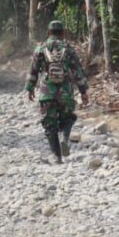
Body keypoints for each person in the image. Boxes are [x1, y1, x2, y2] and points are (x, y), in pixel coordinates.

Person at [25, 20, 89, 163]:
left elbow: (33, 70)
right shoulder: (68, 49)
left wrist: (30, 88)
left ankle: (56, 156)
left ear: (48, 33)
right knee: (68, 117)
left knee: (49, 124)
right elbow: (78, 72)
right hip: (65, 92)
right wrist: (83, 91)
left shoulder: (40, 49)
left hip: (46, 92)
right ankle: (64, 138)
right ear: (62, 33)